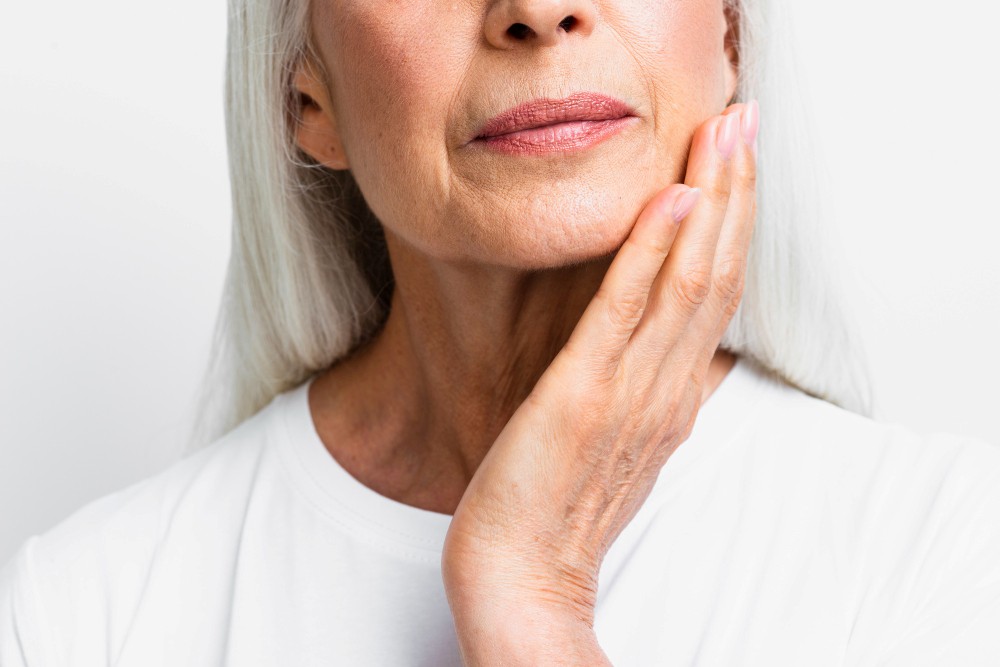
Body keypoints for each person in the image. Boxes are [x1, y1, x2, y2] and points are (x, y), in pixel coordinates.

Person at [2, 0, 999, 664]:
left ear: (731, 32)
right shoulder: (78, 615)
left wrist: (532, 601)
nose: (534, 6)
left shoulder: (948, 552)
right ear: (308, 97)